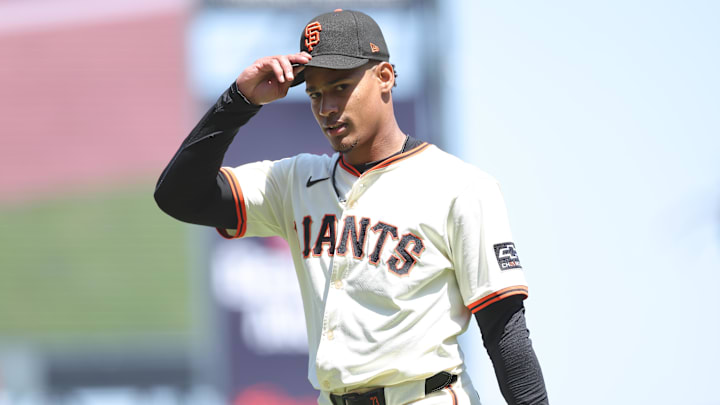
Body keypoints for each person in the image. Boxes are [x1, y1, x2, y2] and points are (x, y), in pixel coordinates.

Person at [155, 9, 548, 405]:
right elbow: (179, 196)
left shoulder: (460, 186)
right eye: (315, 94)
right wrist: (237, 101)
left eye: (340, 87)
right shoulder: (294, 182)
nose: (326, 107)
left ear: (385, 77)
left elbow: (505, 332)